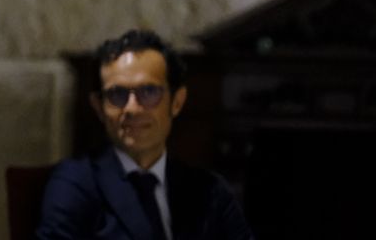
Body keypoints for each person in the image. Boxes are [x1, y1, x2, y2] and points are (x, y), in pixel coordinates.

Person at [36, 29, 252, 240]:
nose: (132, 108)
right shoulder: (75, 183)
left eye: (149, 92)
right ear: (99, 107)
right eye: (117, 94)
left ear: (176, 102)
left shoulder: (209, 191)